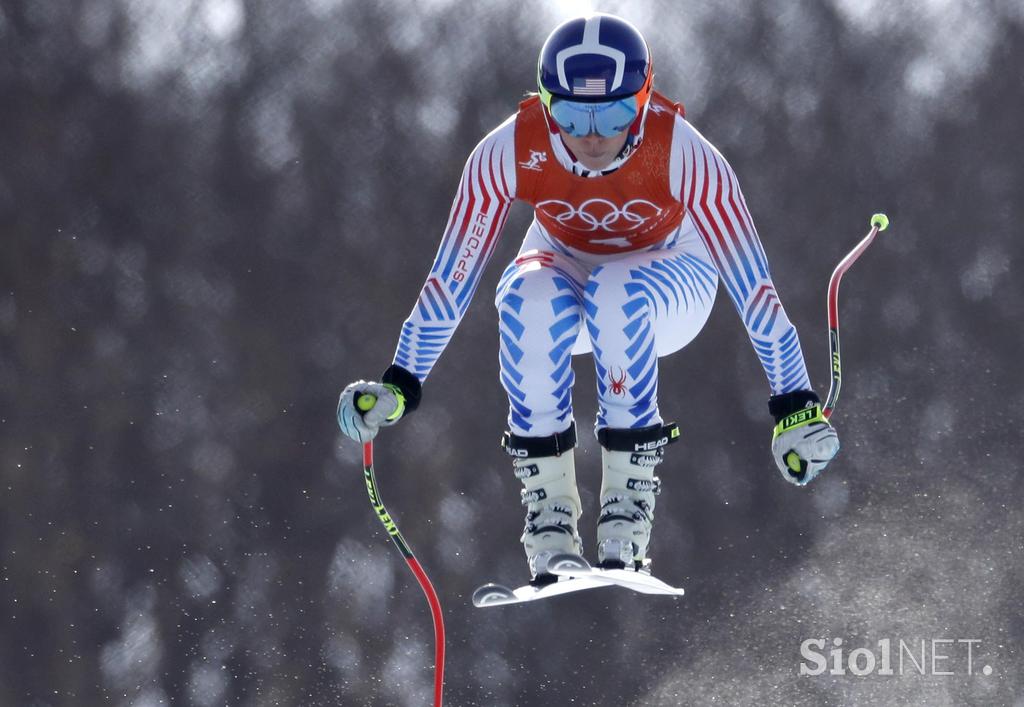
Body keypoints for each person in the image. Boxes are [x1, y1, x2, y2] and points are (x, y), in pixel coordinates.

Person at [337, 13, 839, 581]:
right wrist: (400, 382)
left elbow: (753, 285)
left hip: (675, 277)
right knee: (525, 296)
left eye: (617, 112)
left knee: (617, 290)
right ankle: (549, 519)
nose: (594, 135)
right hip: (569, 270)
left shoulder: (681, 153)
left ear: (645, 101)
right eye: (573, 114)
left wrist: (794, 401)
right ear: (547, 105)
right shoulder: (509, 151)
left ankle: (627, 514)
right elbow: (452, 276)